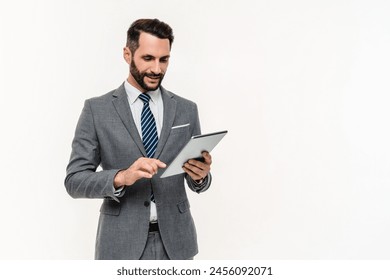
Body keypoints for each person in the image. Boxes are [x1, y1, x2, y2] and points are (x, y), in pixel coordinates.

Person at [64, 18, 212, 260]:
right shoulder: (96, 110)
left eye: (164, 60)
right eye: (148, 58)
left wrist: (200, 176)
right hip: (120, 244)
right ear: (127, 54)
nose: (157, 69)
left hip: (177, 244)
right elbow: (74, 181)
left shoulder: (187, 109)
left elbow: (197, 180)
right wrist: (121, 177)